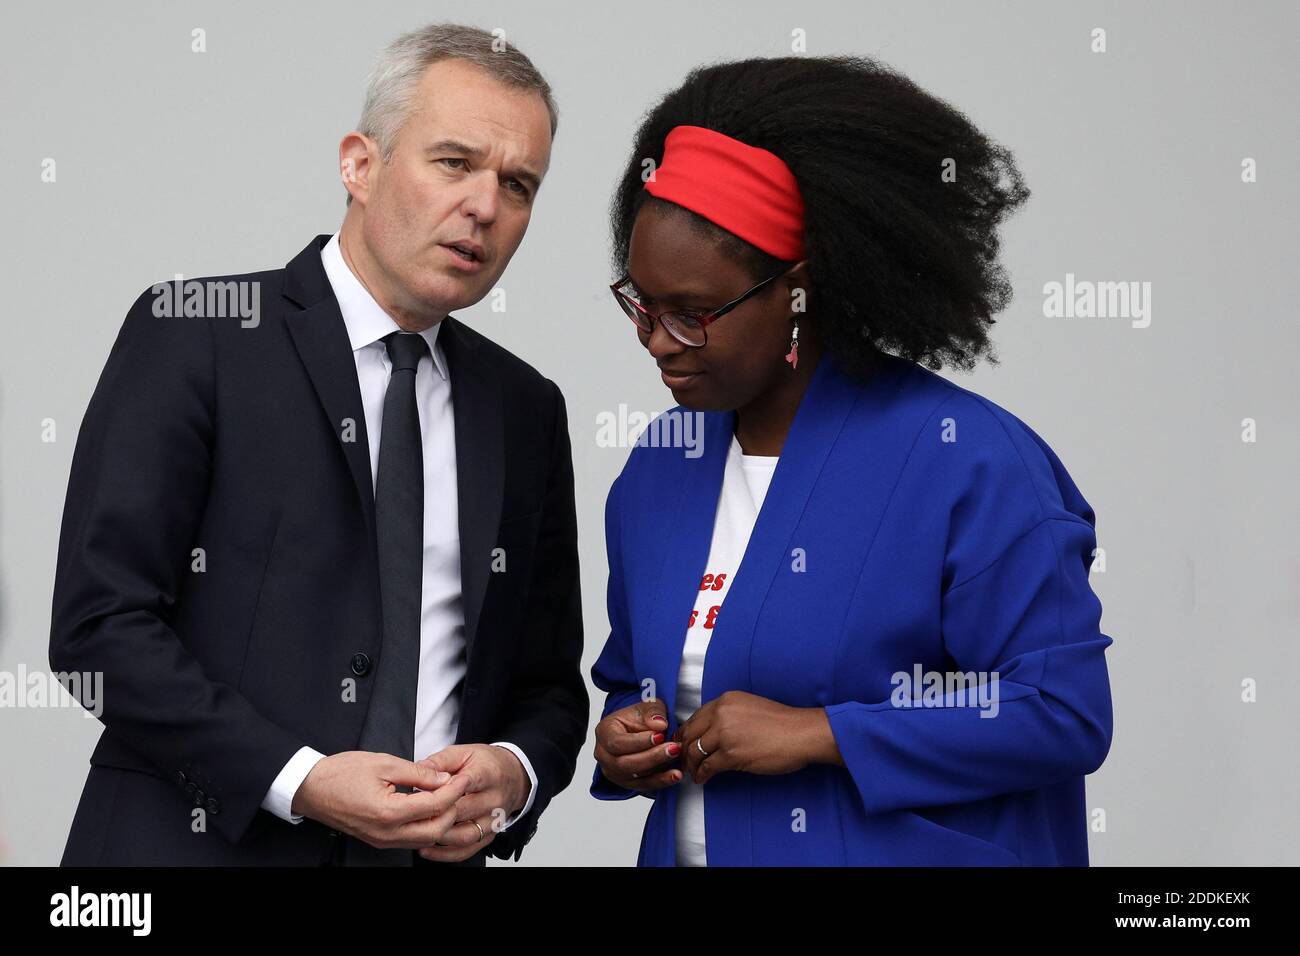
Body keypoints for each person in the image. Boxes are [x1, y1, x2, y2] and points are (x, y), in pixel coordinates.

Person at [49, 23, 587, 866]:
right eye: (454, 162)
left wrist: (514, 773)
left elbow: (548, 684)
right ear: (360, 165)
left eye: (518, 184)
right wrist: (300, 778)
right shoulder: (198, 336)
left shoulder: (525, 409)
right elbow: (97, 630)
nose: (485, 206)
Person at [590, 55, 1114, 866]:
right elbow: (637, 675)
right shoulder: (662, 465)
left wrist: (819, 733)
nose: (658, 340)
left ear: (799, 290)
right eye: (642, 304)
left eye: (694, 314)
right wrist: (626, 732)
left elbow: (1060, 710)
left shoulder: (968, 464)